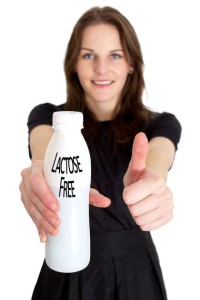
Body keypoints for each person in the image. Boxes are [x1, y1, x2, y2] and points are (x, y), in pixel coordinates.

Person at [19, 6, 181, 300]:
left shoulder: (160, 124)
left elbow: (159, 157)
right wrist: (42, 170)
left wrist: (153, 180)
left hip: (136, 275)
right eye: (88, 55)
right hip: (64, 273)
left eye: (115, 55)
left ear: (131, 63)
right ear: (73, 64)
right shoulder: (48, 117)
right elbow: (43, 148)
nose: (101, 69)